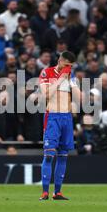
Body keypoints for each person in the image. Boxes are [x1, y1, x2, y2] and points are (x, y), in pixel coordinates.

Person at [38, 51, 82, 200]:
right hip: (52, 117)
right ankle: (45, 192)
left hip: (67, 118)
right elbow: (45, 95)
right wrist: (61, 78)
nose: (69, 68)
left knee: (63, 156)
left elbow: (80, 99)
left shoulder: (71, 76)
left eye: (71, 66)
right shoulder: (47, 72)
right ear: (60, 60)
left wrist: (70, 81)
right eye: (67, 65)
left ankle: (57, 192)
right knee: (49, 155)